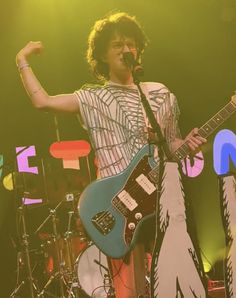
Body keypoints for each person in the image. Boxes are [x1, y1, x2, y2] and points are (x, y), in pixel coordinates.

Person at [16, 12, 206, 298]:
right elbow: (43, 102)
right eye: (117, 44)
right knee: (131, 287)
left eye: (130, 44)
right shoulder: (92, 98)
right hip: (118, 204)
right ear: (102, 54)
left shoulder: (161, 93)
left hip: (159, 200)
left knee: (170, 280)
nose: (126, 49)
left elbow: (170, 146)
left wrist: (190, 145)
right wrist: (23, 61)